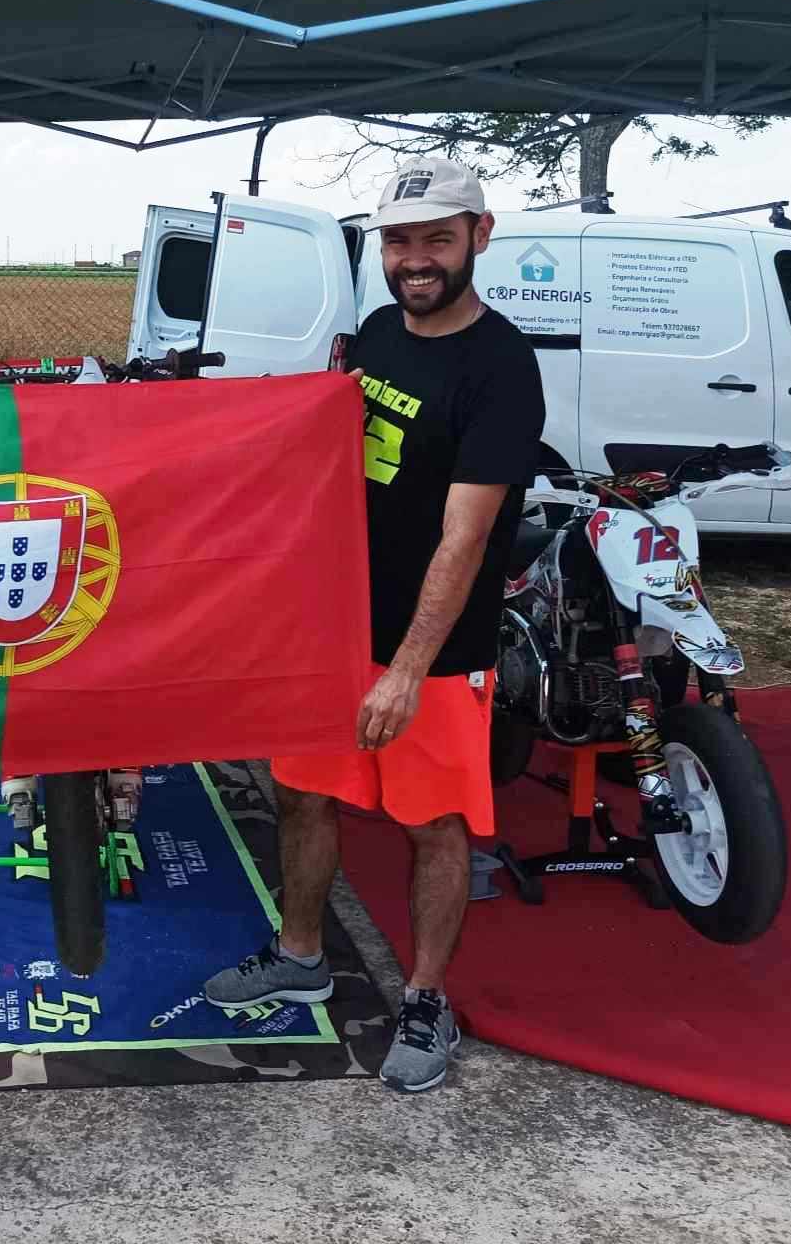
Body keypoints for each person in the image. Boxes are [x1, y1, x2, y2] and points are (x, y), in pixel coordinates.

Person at [203, 156, 544, 1093]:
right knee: (303, 795)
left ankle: (426, 998)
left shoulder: (501, 368)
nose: (415, 259)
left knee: (431, 823)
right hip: (332, 630)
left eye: (437, 238)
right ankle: (299, 954)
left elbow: (465, 538)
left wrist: (405, 669)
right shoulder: (381, 333)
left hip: (431, 653)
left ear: (479, 235)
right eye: (398, 241)